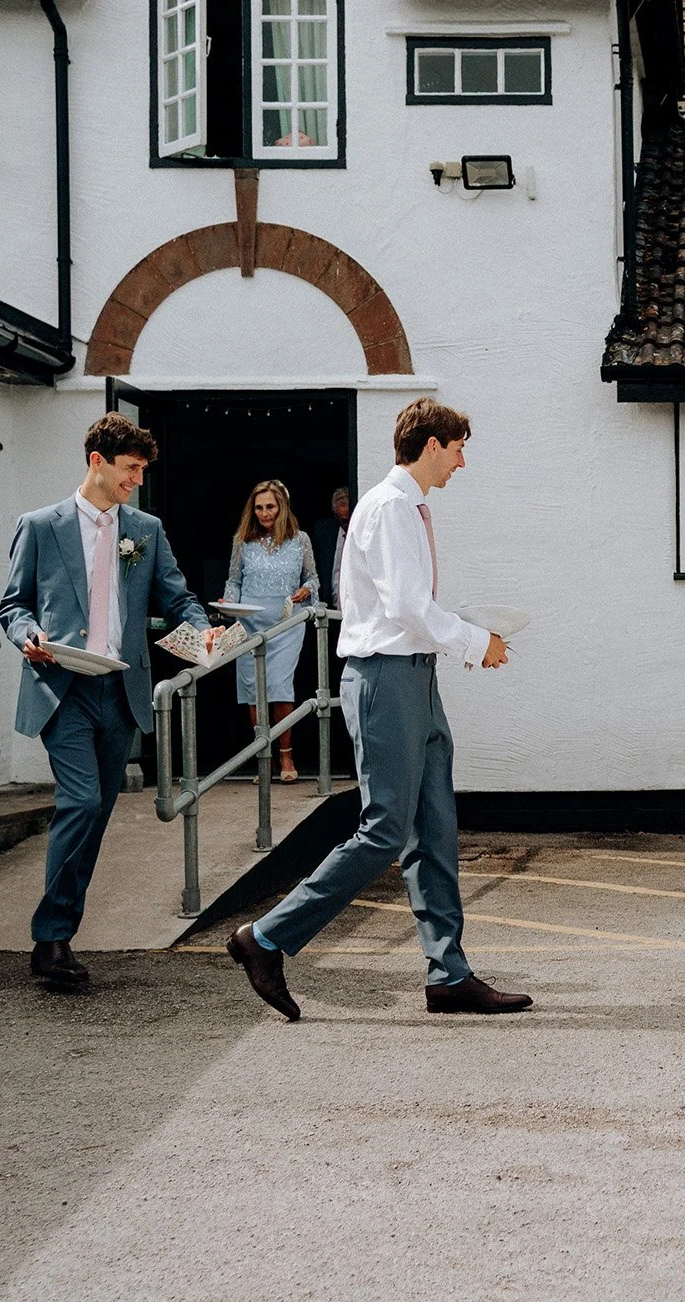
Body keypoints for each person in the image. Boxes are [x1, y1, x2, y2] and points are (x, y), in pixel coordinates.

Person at [225, 399, 516, 1021]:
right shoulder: (388, 508)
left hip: (415, 677)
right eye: (459, 447)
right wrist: (474, 642)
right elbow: (408, 606)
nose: (463, 461)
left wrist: (467, 632)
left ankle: (449, 975)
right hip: (385, 680)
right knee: (384, 827)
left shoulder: (407, 507)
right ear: (431, 444)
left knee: (433, 826)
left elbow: (405, 608)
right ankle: (266, 937)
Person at [0, 413, 220, 986]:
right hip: (62, 686)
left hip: (120, 690)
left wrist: (203, 631)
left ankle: (58, 934)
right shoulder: (40, 526)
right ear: (97, 461)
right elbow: (14, 605)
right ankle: (50, 940)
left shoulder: (143, 529)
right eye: (130, 469)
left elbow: (178, 598)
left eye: (142, 470)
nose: (137, 481)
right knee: (81, 800)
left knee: (94, 813)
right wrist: (28, 636)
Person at [225, 480, 319, 783]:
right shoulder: (243, 540)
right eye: (260, 507)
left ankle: (286, 754)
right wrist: (228, 602)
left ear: (282, 508)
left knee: (279, 687)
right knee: (254, 690)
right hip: (249, 622)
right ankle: (262, 758)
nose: (265, 513)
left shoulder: (300, 539)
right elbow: (234, 581)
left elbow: (313, 578)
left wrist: (306, 590)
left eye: (270, 506)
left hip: (285, 623)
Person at [312, 487, 350, 608]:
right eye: (344, 521)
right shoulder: (324, 532)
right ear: (335, 515)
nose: (348, 525)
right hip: (330, 610)